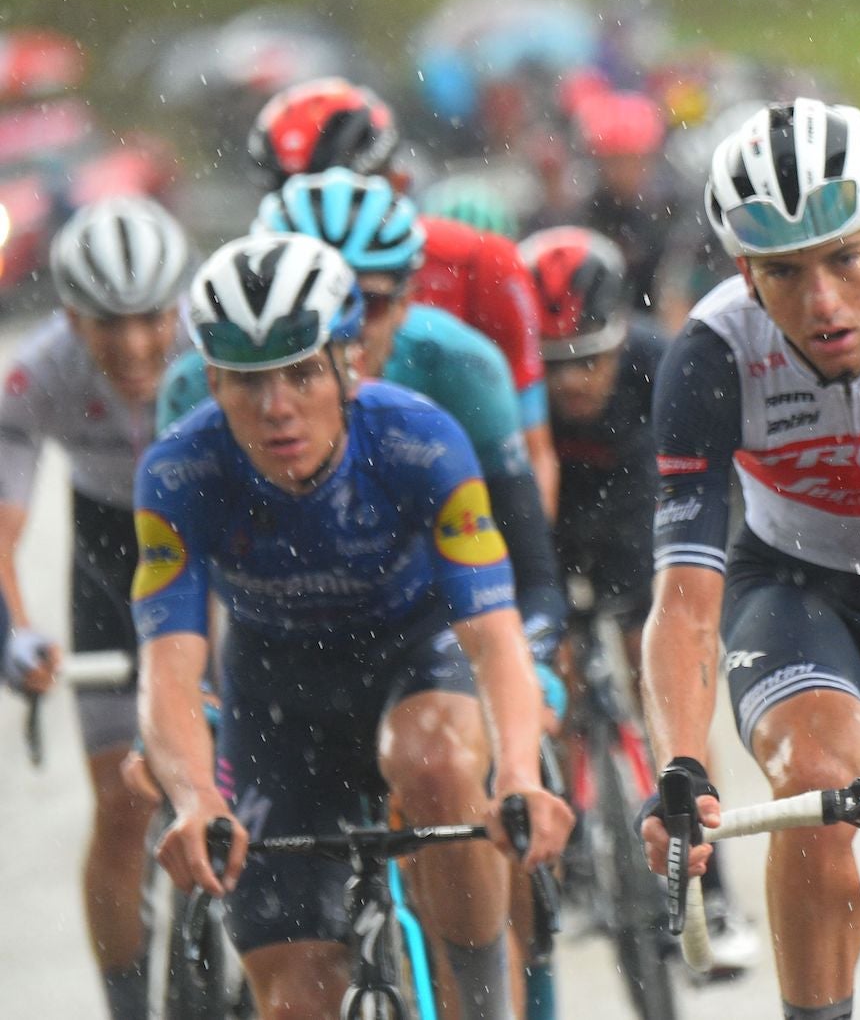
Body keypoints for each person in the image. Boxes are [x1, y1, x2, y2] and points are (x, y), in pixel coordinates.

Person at [135, 234, 572, 1020]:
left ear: (349, 363)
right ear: (212, 381)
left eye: (301, 372)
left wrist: (517, 772)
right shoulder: (178, 472)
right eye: (247, 380)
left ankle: (484, 1002)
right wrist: (196, 795)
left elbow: (493, 631)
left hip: (416, 658)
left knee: (435, 759)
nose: (277, 407)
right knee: (295, 1001)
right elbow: (168, 665)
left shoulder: (420, 439)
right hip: (277, 697)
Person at [639, 98, 860, 1020]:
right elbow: (684, 599)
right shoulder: (712, 353)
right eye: (784, 272)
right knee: (815, 778)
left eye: (844, 258)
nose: (822, 302)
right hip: (798, 586)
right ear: (745, 274)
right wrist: (680, 763)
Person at [154, 168, 568, 676]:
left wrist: (531, 659)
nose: (342, 326)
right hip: (275, 637)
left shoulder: (463, 367)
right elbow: (183, 587)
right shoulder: (197, 386)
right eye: (304, 311)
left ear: (405, 301)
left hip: (430, 623)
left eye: (365, 303)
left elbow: (532, 569)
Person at [516, 224, 757, 970]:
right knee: (552, 670)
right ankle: (580, 840)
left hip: (637, 511)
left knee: (660, 673)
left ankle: (714, 882)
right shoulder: (511, 382)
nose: (573, 383)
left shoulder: (660, 363)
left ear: (622, 332)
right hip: (551, 518)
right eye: (555, 366)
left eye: (590, 359)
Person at [0, 197, 186, 1020]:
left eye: (151, 318)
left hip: (212, 540)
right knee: (123, 803)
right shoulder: (38, 371)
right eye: (109, 323)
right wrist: (15, 632)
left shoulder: (218, 343)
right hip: (111, 553)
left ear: (179, 307)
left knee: (250, 783)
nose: (136, 345)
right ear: (72, 317)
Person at [249, 77, 562, 512]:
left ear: (399, 183)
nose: (326, 226)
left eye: (350, 201)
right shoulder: (246, 281)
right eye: (300, 200)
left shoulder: (481, 264)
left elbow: (530, 454)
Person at [570, 88, 676, 314]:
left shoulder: (668, 212)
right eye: (615, 161)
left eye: (634, 160)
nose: (625, 172)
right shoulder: (585, 215)